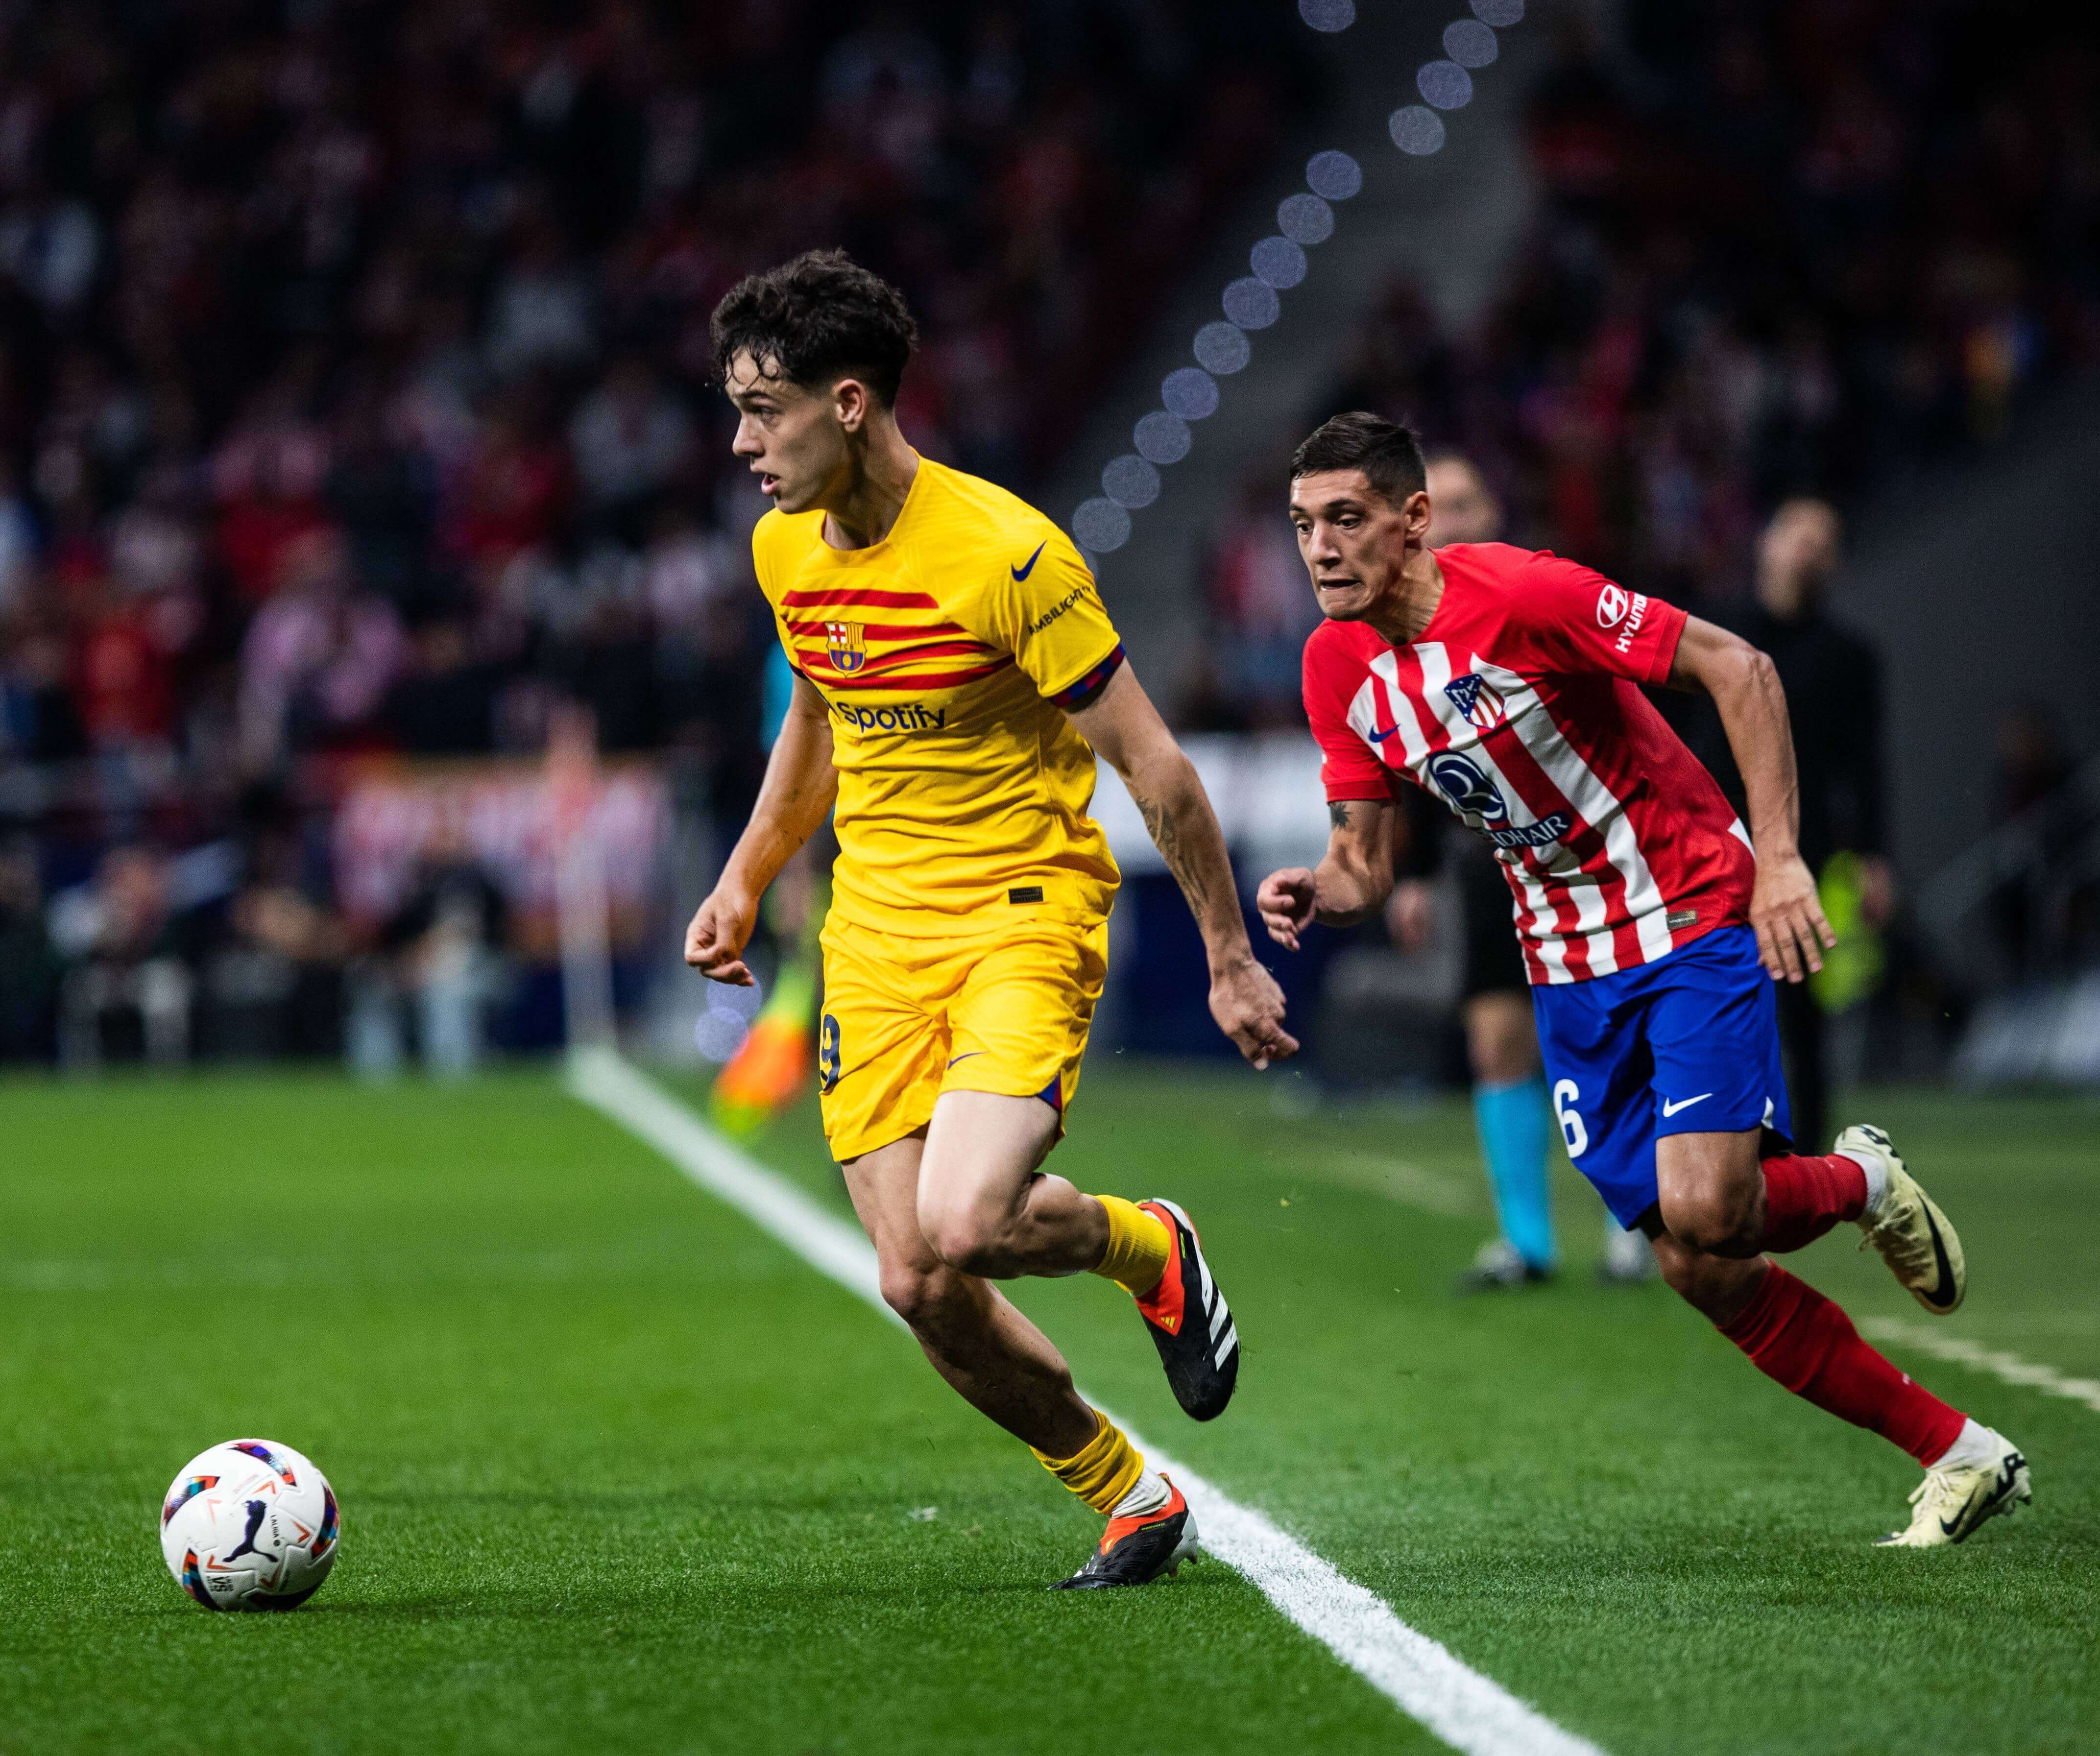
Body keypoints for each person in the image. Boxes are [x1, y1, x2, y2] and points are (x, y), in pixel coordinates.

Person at [1257, 413, 2029, 1547]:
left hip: (1687, 910)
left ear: (1414, 521)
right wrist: (1320, 888)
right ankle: (1960, 1452)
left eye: (1345, 520)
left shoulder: (1523, 597)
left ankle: (1859, 1180)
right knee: (1697, 1264)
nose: (1318, 548)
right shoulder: (1337, 666)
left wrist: (1777, 860)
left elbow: (1740, 666)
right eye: (1300, 526)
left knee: (1710, 1204)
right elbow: (1365, 864)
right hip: (1567, 968)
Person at [683, 251, 1297, 1589]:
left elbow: (1155, 767)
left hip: (1022, 914)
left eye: (764, 408)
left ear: (850, 404)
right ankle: (1129, 1492)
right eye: (734, 408)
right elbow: (819, 713)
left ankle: (1148, 1243)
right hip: (874, 937)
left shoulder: (1008, 555)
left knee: (964, 1224)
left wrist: (1229, 957)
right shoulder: (785, 547)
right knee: (918, 1282)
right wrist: (744, 872)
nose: (741, 443)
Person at [1378, 453, 1652, 1289]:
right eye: (1439, 505)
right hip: (1482, 863)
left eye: (1465, 501)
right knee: (1497, 1041)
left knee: (1605, 1035)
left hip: (1579, 862)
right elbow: (1418, 766)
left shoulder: (1535, 600)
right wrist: (1415, 874)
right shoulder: (1409, 631)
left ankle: (1630, 1226)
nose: (1452, 519)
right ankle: (1526, 1243)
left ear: (1494, 508)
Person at [1706, 499, 1891, 1146]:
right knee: (1701, 1000)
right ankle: (1704, 1145)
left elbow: (1864, 764)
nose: (1807, 551)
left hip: (1795, 852)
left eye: (1822, 541)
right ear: (1766, 542)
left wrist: (1873, 856)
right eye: (1797, 536)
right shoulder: (1714, 631)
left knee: (1798, 1011)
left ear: (1835, 562)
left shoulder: (1848, 657)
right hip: (1704, 847)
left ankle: (1803, 1156)